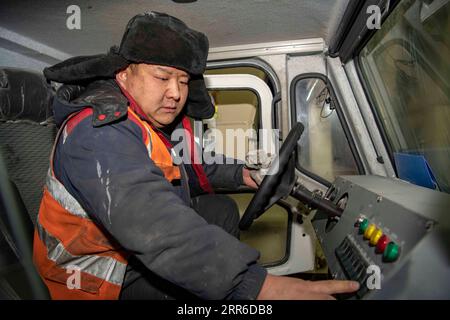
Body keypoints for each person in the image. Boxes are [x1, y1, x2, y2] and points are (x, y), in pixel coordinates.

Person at [33, 12, 359, 300]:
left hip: (127, 250)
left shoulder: (143, 123)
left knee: (221, 210)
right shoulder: (100, 132)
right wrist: (258, 288)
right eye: (162, 77)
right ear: (123, 75)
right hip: (101, 278)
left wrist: (243, 174)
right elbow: (155, 226)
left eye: (183, 81)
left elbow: (189, 163)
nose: (176, 92)